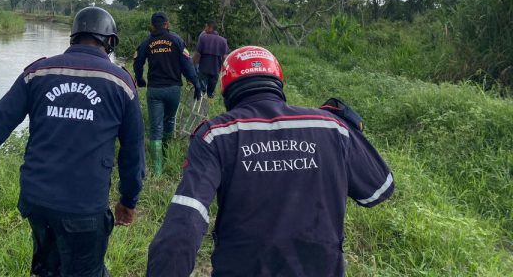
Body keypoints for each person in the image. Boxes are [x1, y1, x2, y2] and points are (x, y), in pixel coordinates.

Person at [147, 46, 394, 276]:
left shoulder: (216, 134)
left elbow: (184, 223)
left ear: (227, 89)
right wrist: (344, 124)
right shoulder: (331, 126)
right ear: (277, 81)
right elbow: (378, 189)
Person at [0, 6, 145, 277]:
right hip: (84, 207)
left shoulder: (38, 73)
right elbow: (132, 154)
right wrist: (128, 200)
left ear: (72, 37)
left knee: (48, 269)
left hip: (36, 202)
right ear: (110, 42)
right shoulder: (121, 82)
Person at [133, 12, 201, 176]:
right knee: (169, 121)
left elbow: (137, 62)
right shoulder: (176, 40)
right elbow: (187, 64)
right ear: (167, 24)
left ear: (152, 25)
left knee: (155, 127)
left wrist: (140, 78)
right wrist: (196, 82)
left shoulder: (147, 42)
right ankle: (166, 152)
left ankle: (157, 170)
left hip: (155, 90)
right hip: (173, 90)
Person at [192, 20, 229, 98]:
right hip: (215, 70)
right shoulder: (223, 41)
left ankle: (199, 105)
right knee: (210, 93)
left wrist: (193, 65)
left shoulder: (203, 38)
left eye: (206, 27)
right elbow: (225, 57)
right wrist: (223, 69)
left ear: (210, 28)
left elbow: (197, 54)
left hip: (203, 69)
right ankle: (209, 100)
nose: (205, 29)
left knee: (201, 91)